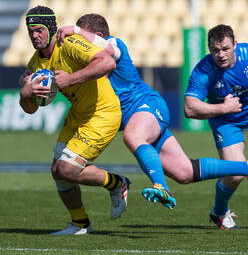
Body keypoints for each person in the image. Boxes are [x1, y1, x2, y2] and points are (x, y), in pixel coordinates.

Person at [58, 15, 248, 219]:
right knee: (185, 173)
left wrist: (76, 32)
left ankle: (160, 187)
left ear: (98, 36)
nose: (75, 44)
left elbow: (105, 53)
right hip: (138, 118)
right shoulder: (81, 61)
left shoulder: (113, 44)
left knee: (133, 137)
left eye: (80, 39)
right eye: (216, 50)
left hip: (145, 105)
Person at [19, 6, 130, 236]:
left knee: (67, 169)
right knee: (57, 171)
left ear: (51, 29)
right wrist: (25, 94)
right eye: (30, 32)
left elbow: (108, 62)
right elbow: (30, 110)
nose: (34, 36)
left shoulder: (69, 44)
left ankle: (117, 184)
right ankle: (80, 224)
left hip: (103, 114)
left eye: (39, 30)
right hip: (79, 114)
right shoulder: (36, 64)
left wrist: (71, 78)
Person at [184, 24, 248, 230]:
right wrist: (223, 108)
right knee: (236, 173)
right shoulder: (204, 69)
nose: (220, 55)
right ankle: (219, 212)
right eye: (215, 50)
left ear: (235, 45)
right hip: (227, 120)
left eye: (226, 49)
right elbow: (190, 108)